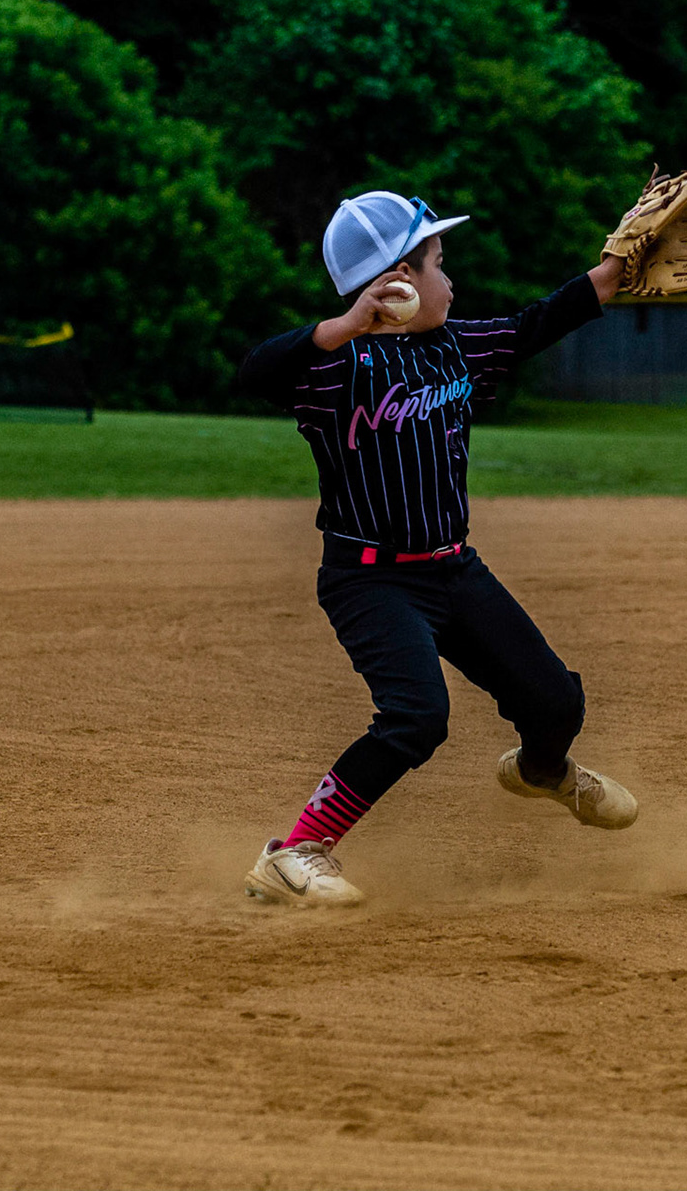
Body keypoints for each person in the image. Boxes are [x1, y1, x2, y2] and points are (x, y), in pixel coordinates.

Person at [235, 191, 637, 908]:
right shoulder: (335, 369)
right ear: (396, 281)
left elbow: (530, 327)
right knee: (417, 716)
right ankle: (295, 851)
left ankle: (544, 771)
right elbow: (255, 372)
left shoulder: (453, 346)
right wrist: (345, 326)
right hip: (371, 580)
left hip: (453, 569)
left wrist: (609, 273)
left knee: (556, 704)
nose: (450, 282)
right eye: (438, 264)